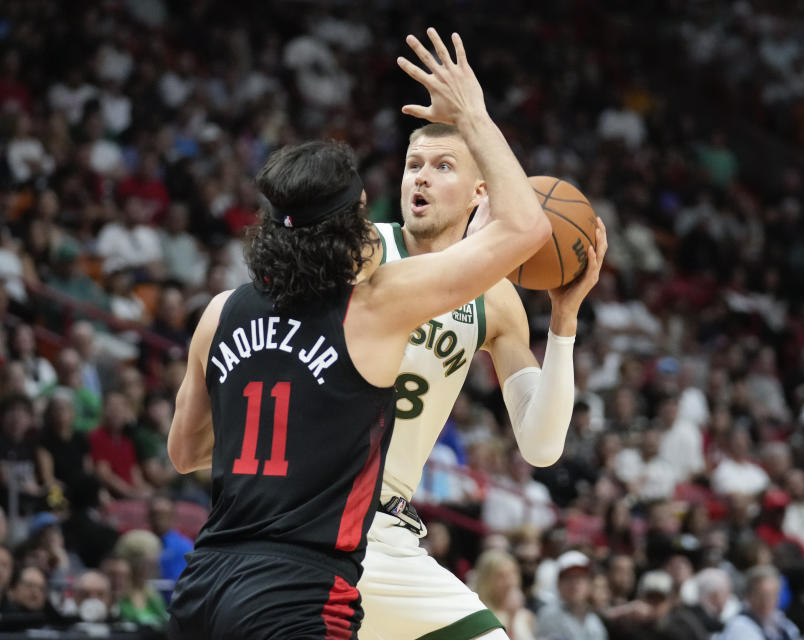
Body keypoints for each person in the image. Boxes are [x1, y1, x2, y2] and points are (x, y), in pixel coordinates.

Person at [166, 28, 551, 639]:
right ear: (355, 222)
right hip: (299, 587)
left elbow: (184, 454)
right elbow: (525, 228)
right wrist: (474, 114)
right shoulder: (376, 305)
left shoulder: (220, 312)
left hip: (206, 580)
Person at [357, 57, 607, 640]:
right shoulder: (363, 251)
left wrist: (564, 319)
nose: (420, 176)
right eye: (413, 164)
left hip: (387, 531)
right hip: (321, 508)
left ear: (480, 192)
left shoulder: (494, 301)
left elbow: (542, 448)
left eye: (441, 166)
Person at [536, 551, 608, 640]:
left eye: (580, 577)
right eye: (568, 577)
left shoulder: (595, 622)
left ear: (589, 583)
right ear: (558, 583)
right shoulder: (548, 616)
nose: (574, 583)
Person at [716, 565, 800, 640]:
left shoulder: (784, 624)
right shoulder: (739, 626)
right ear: (748, 595)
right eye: (761, 595)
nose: (766, 601)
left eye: (773, 594)